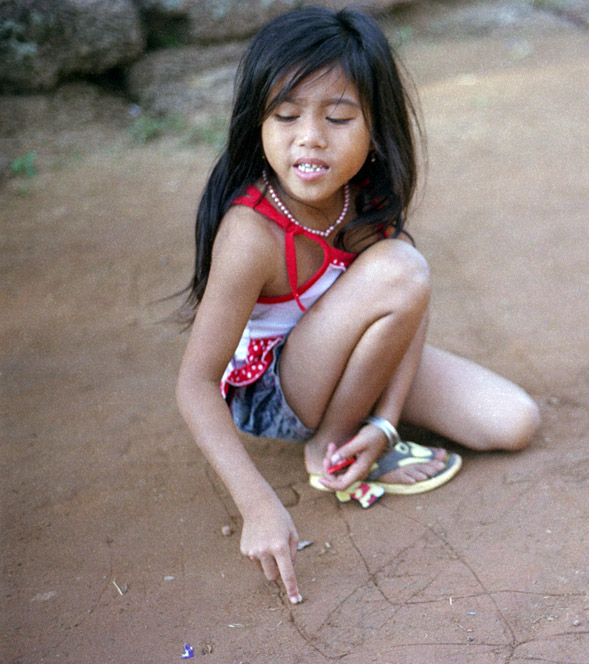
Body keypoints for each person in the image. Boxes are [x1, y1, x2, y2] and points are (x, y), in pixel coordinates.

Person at [175, 6, 540, 605]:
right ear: (256, 125)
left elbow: (409, 309)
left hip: (348, 359)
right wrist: (258, 503)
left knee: (514, 420)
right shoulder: (251, 232)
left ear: (375, 129)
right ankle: (328, 444)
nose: (310, 137)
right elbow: (195, 383)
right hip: (277, 392)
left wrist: (386, 423)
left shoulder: (363, 197)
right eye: (286, 116)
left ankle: (355, 434)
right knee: (402, 269)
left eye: (339, 117)